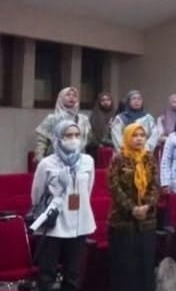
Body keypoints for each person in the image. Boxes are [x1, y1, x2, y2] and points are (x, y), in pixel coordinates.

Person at [31, 120, 96, 291]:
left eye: (77, 135)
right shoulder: (47, 163)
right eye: (68, 135)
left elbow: (88, 190)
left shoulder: (88, 161)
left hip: (79, 225)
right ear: (58, 138)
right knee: (47, 274)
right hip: (54, 224)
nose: (73, 139)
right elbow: (37, 193)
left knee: (73, 274)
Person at [107, 123, 160, 291]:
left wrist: (147, 206)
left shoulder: (150, 158)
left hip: (147, 220)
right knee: (125, 264)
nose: (139, 139)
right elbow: (114, 187)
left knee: (145, 263)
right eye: (135, 135)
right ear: (127, 137)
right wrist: (132, 208)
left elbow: (155, 185)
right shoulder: (118, 158)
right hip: (123, 220)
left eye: (142, 135)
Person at [34, 87, 91, 164]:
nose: (71, 97)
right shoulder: (52, 119)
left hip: (78, 160)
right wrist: (39, 157)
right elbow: (42, 141)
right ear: (61, 98)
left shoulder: (83, 119)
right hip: (55, 160)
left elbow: (88, 139)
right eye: (68, 95)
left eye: (74, 95)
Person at [86, 91, 116, 157]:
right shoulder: (94, 116)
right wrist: (98, 144)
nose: (106, 102)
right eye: (103, 100)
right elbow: (90, 134)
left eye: (108, 100)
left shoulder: (116, 116)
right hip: (97, 149)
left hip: (114, 148)